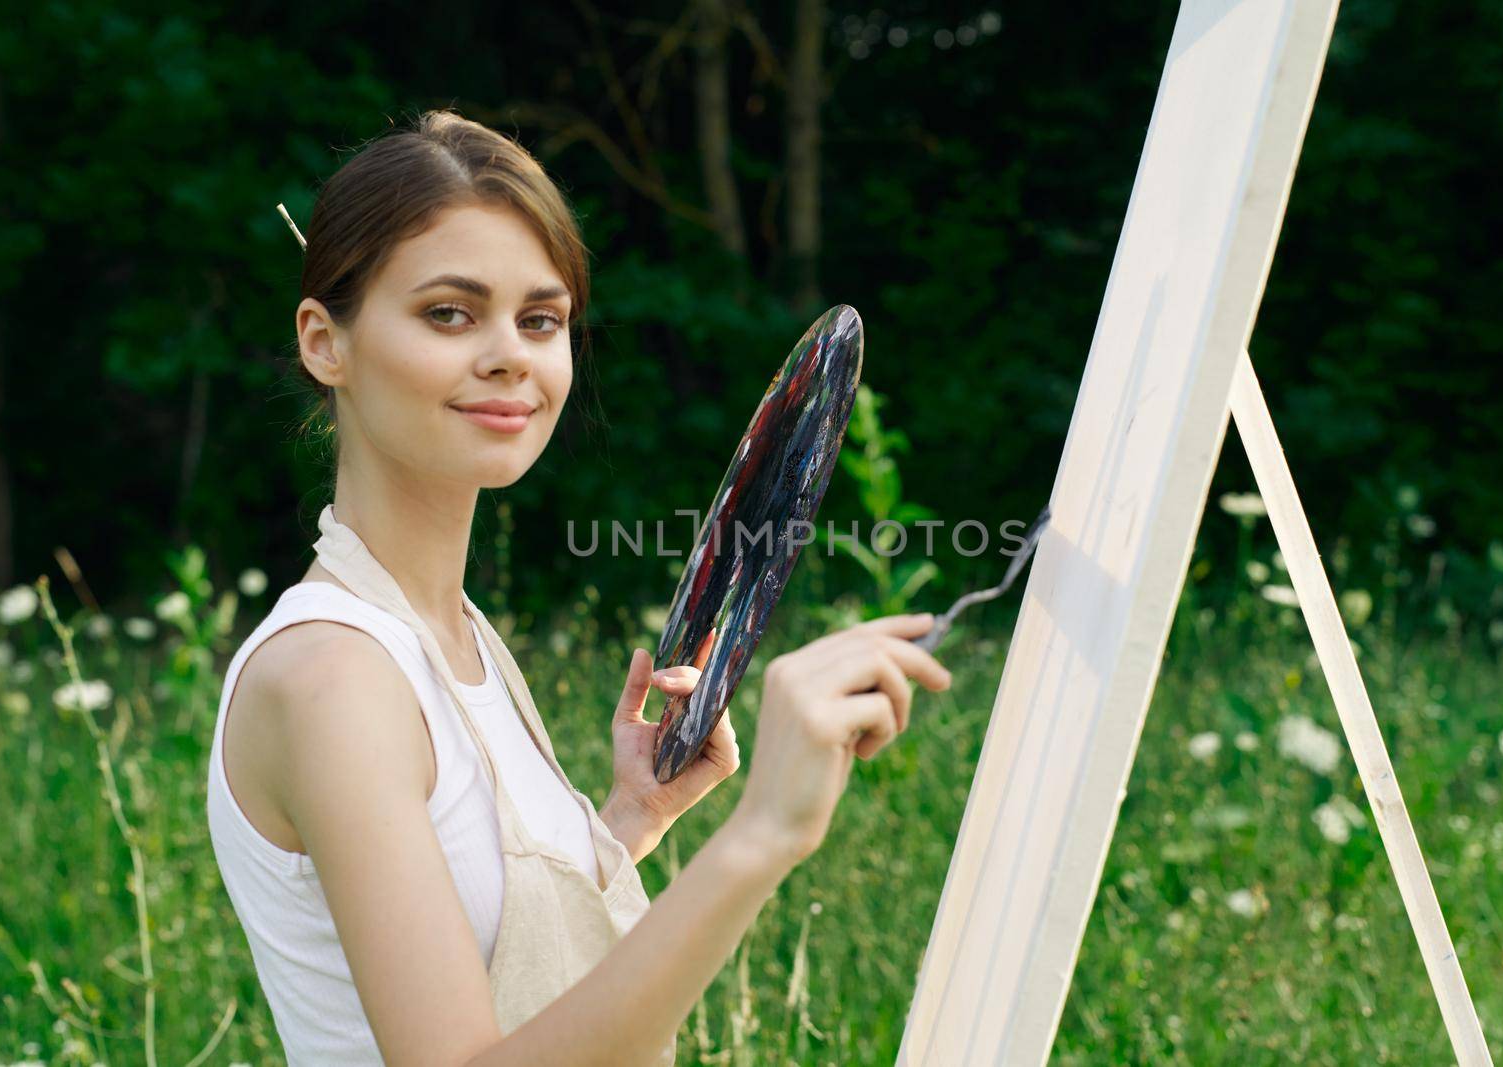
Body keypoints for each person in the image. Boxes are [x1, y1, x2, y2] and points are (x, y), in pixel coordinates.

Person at [205, 108, 952, 1067]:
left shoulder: (451, 635)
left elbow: (486, 948)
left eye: (541, 318)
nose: (511, 352)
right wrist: (762, 833)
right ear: (325, 342)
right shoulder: (332, 678)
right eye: (449, 312)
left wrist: (630, 820)